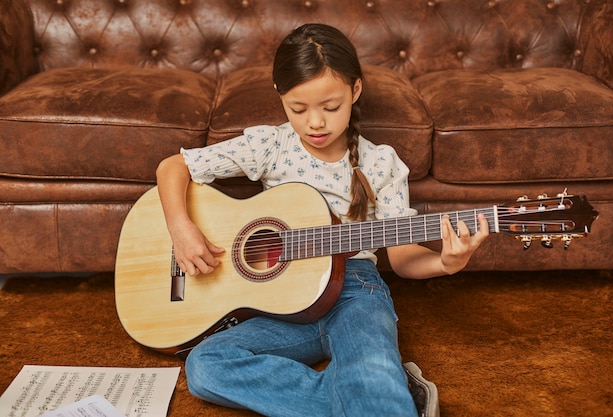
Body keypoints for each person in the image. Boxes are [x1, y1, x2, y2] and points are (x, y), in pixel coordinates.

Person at [156, 23, 489, 417]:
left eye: (330, 107)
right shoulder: (270, 145)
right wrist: (182, 230)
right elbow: (172, 167)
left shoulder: (381, 163)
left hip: (354, 292)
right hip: (278, 303)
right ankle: (378, 395)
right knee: (205, 366)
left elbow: (401, 258)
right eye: (298, 109)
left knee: (372, 370)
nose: (316, 123)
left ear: (355, 91)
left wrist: (446, 263)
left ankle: (374, 386)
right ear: (280, 96)